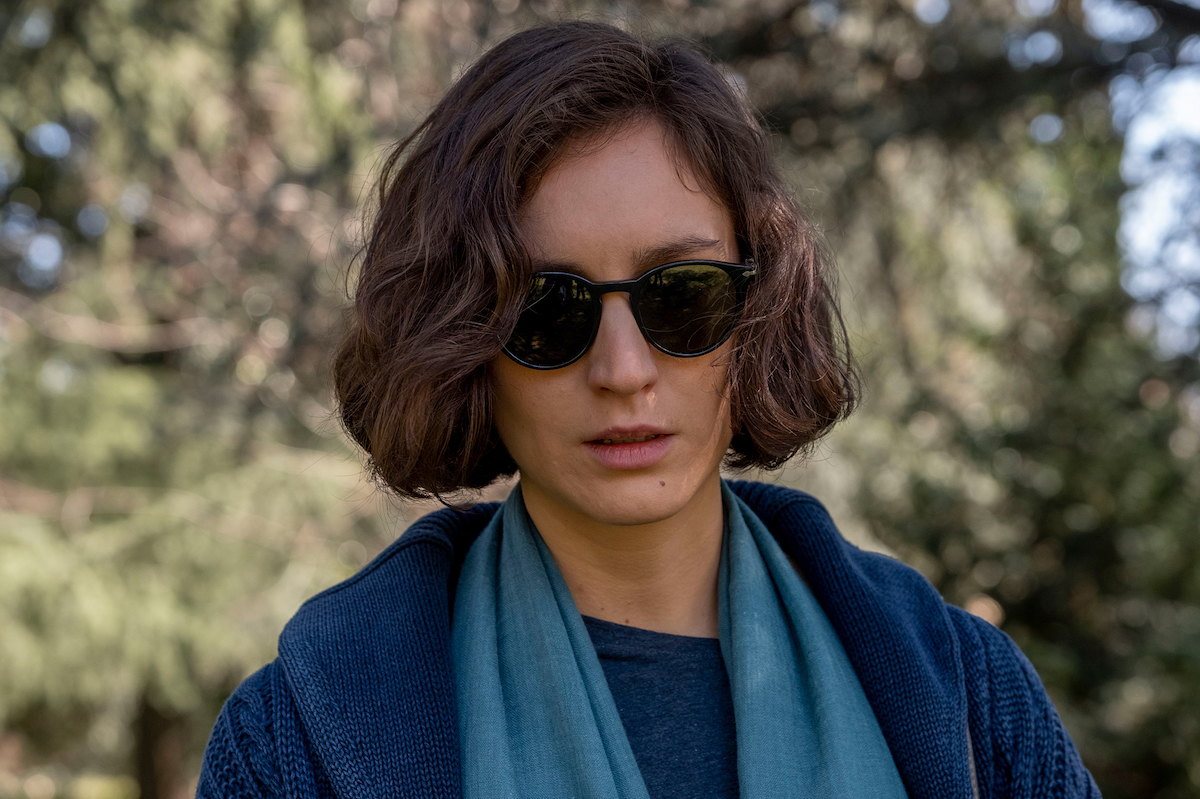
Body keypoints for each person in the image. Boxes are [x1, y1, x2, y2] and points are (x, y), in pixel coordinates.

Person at [197, 20, 1100, 799]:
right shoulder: (297, 740)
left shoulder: (969, 698)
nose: (624, 370)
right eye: (546, 310)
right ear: (464, 341)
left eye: (682, 295)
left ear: (756, 309)